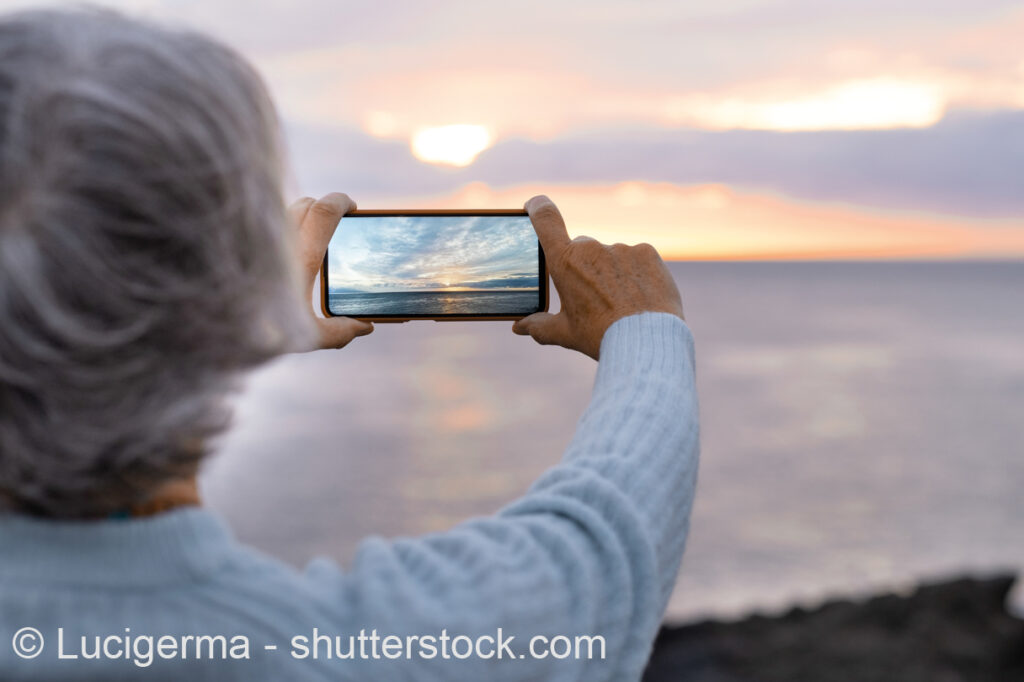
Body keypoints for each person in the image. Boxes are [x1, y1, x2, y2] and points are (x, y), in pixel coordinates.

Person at [0, 8, 699, 681]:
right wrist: (643, 329)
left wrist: (241, 319)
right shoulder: (328, 655)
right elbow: (600, 554)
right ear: (230, 287)